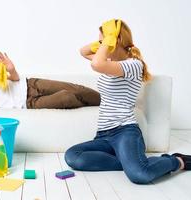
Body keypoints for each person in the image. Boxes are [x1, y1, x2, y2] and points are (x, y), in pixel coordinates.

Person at [64, 19, 191, 184]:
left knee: (140, 175)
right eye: (101, 41)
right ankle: (130, 162)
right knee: (73, 156)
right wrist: (104, 40)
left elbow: (96, 63)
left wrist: (109, 39)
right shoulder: (110, 64)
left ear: (115, 40)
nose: (102, 45)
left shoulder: (133, 65)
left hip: (125, 132)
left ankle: (176, 161)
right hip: (103, 135)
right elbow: (83, 51)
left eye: (105, 40)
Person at [0, 52, 100, 109]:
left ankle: (108, 101)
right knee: (67, 97)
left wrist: (11, 69)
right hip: (27, 104)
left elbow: (14, 79)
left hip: (30, 84)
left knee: (76, 89)